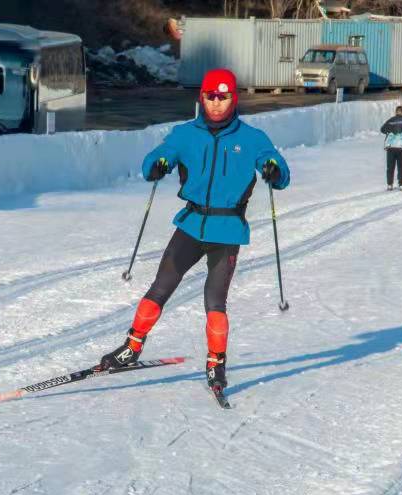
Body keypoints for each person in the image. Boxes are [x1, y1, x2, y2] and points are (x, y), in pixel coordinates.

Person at [95, 68, 290, 392]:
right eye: (211, 97)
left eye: (223, 97)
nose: (216, 104)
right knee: (160, 287)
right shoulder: (185, 134)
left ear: (233, 99)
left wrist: (274, 169)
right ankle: (131, 348)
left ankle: (216, 365)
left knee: (215, 301)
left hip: (227, 231)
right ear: (202, 97)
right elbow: (159, 157)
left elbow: (277, 168)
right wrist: (155, 166)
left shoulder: (252, 138)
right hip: (190, 225)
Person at [380, 106, 402, 191]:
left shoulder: (390, 120)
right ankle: (401, 185)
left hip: (391, 147)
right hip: (401, 147)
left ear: (395, 112)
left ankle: (389, 185)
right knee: (401, 166)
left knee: (390, 167)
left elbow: (382, 129)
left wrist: (389, 131)